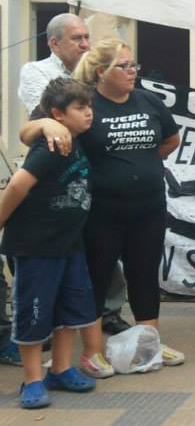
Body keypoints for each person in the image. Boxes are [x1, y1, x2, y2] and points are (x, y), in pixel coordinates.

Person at [21, 38, 186, 377]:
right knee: (96, 277)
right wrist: (46, 124)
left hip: (148, 208)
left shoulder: (148, 100)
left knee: (144, 275)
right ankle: (93, 352)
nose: (132, 71)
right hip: (101, 211)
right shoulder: (85, 103)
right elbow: (28, 133)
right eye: (124, 66)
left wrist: (138, 164)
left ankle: (148, 345)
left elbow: (171, 139)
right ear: (101, 71)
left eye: (134, 65)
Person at [16, 13, 131, 338]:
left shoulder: (95, 72)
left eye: (86, 37)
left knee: (103, 246)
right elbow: (47, 113)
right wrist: (48, 122)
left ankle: (107, 313)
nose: (85, 44)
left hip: (93, 168)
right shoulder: (36, 71)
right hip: (55, 170)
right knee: (58, 253)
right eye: (77, 38)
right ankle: (47, 325)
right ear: (54, 43)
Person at [1, 78, 97, 408]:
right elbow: (17, 186)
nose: (89, 113)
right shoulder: (51, 146)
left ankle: (60, 368)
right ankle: (32, 379)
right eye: (80, 108)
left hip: (69, 245)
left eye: (89, 106)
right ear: (58, 114)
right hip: (36, 247)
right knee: (33, 313)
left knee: (69, 311)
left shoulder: (75, 139)